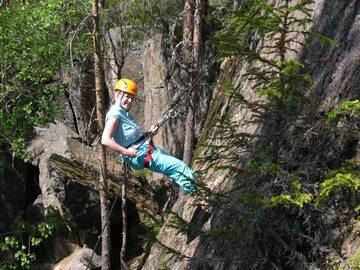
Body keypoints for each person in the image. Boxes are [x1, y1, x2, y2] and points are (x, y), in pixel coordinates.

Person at [101, 78, 197, 194]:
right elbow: (105, 140)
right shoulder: (115, 114)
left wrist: (148, 133)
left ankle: (198, 193)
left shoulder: (123, 113)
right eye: (127, 96)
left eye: (132, 98)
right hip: (139, 154)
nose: (130, 100)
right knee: (179, 166)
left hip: (144, 149)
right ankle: (202, 189)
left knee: (174, 170)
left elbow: (130, 137)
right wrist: (126, 152)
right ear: (117, 94)